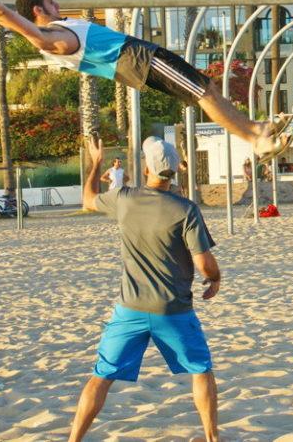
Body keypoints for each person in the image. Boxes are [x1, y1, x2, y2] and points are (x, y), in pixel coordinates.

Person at [0, 0, 291, 164]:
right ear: (39, 10)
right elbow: (5, 15)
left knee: (206, 88)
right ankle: (255, 138)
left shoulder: (55, 30)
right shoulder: (51, 36)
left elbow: (5, 17)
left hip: (138, 59)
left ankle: (256, 130)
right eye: (50, 1)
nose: (57, 3)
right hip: (137, 60)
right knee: (203, 91)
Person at [70, 135, 221, 442]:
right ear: (174, 170)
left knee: (101, 377)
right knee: (201, 370)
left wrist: (96, 163)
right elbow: (204, 264)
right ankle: (212, 438)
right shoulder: (186, 209)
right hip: (173, 309)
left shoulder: (124, 198)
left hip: (130, 308)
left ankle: (74, 440)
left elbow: (87, 199)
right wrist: (215, 278)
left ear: (147, 168)